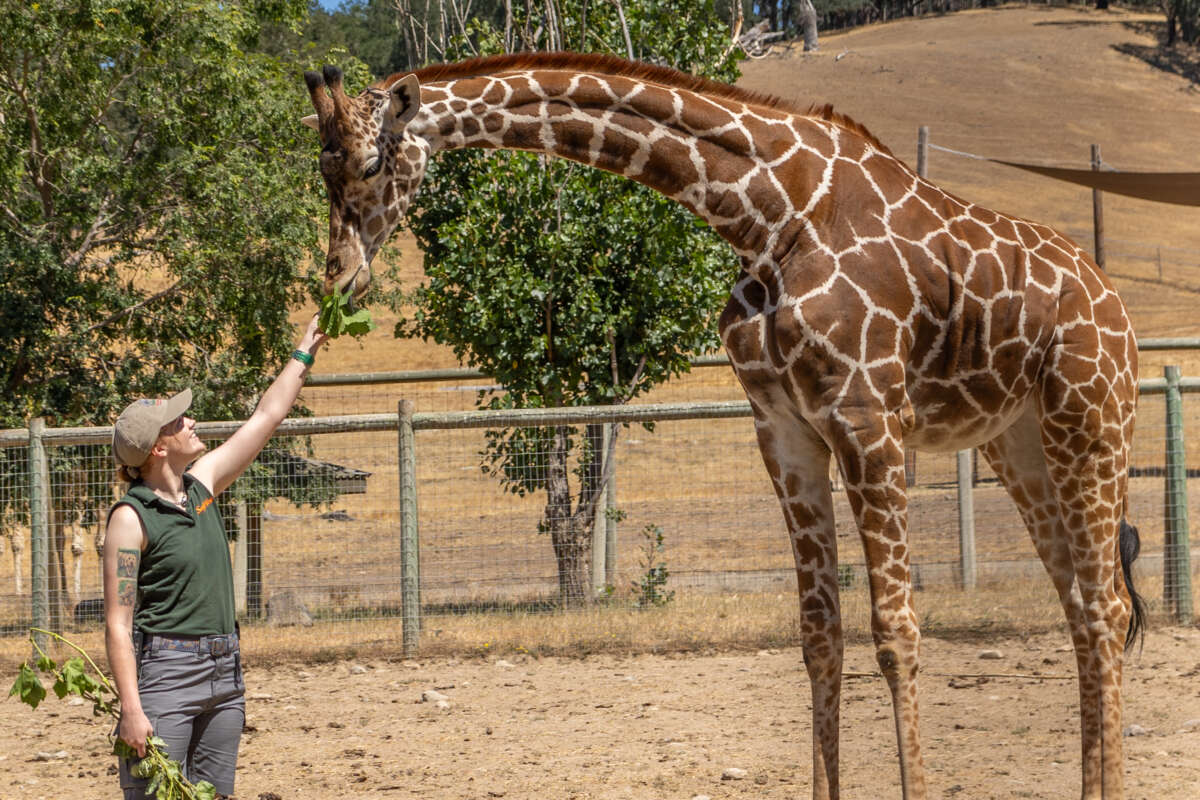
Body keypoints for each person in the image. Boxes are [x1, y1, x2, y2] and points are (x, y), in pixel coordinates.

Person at [103, 315, 328, 800]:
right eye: (179, 421)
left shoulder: (201, 486)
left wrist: (304, 351)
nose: (192, 421)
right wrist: (131, 708)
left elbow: (266, 418)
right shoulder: (131, 517)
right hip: (167, 675)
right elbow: (118, 625)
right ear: (158, 447)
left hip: (225, 670)